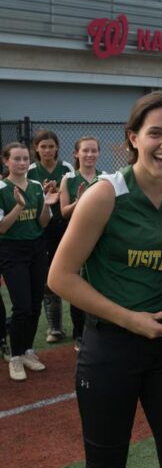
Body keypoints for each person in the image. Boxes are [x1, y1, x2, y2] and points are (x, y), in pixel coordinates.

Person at [48, 91, 162, 468]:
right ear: (133, 137)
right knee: (105, 460)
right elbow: (60, 277)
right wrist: (130, 318)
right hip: (110, 348)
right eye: (156, 133)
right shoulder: (104, 195)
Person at [0, 143, 58, 381]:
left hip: (36, 249)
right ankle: (14, 357)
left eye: (25, 159)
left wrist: (46, 203)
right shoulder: (2, 188)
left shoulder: (35, 186)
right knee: (22, 306)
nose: (22, 163)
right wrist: (19, 206)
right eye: (16, 159)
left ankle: (27, 351)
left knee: (35, 304)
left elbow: (42, 223)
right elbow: (2, 227)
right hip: (12, 250)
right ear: (6, 161)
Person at [28, 130, 74, 343]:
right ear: (36, 148)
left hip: (66, 226)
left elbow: (72, 196)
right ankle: (55, 327)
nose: (47, 150)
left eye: (51, 146)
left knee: (73, 274)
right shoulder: (30, 171)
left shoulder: (66, 169)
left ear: (57, 147)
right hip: (41, 228)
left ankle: (81, 328)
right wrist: (44, 196)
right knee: (48, 278)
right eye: (43, 146)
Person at [59, 136, 102, 352]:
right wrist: (80, 201)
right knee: (76, 286)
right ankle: (79, 333)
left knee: (98, 285)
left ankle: (99, 328)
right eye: (85, 151)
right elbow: (64, 212)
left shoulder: (106, 178)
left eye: (94, 151)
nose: (90, 155)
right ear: (76, 154)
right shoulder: (69, 179)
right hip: (77, 240)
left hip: (101, 240)